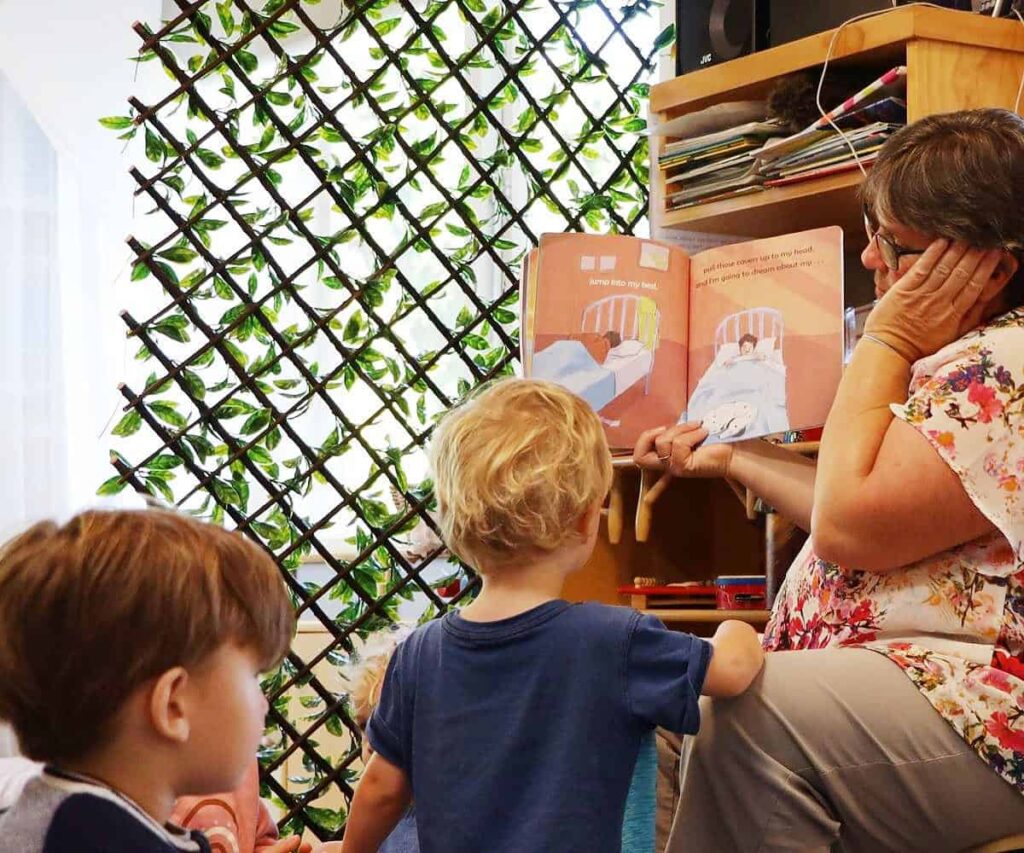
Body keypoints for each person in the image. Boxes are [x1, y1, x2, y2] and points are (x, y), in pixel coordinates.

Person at [634, 108, 1024, 850]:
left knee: (749, 712)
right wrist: (737, 457)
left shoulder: (1005, 365)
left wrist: (886, 337)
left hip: (992, 714)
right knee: (659, 703)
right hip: (912, 695)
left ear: (992, 267)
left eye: (895, 245)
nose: (873, 261)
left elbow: (848, 527)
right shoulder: (963, 356)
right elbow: (876, 508)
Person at [339, 378, 764, 853]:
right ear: (586, 520)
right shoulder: (615, 640)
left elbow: (381, 789)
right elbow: (733, 671)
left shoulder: (418, 654)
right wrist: (737, 629)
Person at [0, 509, 296, 852]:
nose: (264, 703)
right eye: (253, 675)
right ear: (173, 705)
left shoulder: (67, 821)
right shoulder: (94, 840)